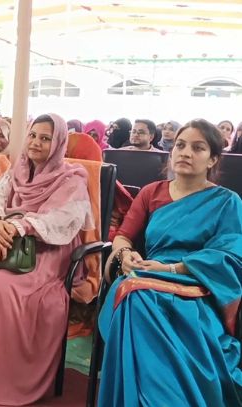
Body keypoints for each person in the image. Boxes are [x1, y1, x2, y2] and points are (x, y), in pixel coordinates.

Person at [0, 113, 94, 405]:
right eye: (33, 135)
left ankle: (3, 378)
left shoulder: (71, 179)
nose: (35, 143)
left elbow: (61, 220)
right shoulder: (16, 171)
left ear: (58, 143)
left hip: (46, 248)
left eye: (45, 138)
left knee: (2, 286)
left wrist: (15, 228)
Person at [97, 119, 242, 406]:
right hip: (144, 276)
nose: (186, 153)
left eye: (197, 148)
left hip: (197, 286)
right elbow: (123, 236)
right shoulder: (151, 192)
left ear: (212, 159)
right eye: (180, 145)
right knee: (135, 296)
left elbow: (228, 256)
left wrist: (172, 269)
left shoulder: (227, 202)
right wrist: (126, 256)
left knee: (136, 298)